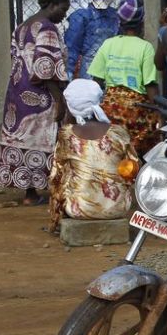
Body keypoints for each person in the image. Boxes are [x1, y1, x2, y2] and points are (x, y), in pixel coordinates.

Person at [0, 0, 71, 206]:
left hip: (17, 91)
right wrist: (59, 100)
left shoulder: (23, 26)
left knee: (23, 137)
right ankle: (49, 191)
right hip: (41, 95)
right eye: (63, 9)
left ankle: (30, 193)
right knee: (45, 138)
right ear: (52, 5)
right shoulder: (47, 28)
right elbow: (46, 67)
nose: (64, 15)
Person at [49, 79, 138, 231]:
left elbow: (55, 177)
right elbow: (133, 167)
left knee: (62, 172)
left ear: (70, 105)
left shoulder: (66, 134)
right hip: (118, 208)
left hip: (79, 209)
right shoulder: (118, 132)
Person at [87, 0, 160, 155]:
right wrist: (159, 112)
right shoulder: (145, 47)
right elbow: (150, 85)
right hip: (136, 111)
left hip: (110, 108)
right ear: (141, 21)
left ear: (120, 21)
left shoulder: (108, 44)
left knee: (112, 151)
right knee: (148, 147)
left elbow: (96, 82)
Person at [65, 0, 120, 79]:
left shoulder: (115, 15)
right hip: (90, 69)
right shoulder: (82, 17)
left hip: (112, 67)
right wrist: (69, 70)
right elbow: (72, 47)